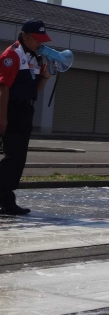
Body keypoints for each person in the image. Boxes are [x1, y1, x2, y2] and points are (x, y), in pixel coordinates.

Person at [0, 19, 53, 215]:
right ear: (24, 36)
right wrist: (2, 117)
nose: (40, 43)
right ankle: (6, 200)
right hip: (11, 110)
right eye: (37, 39)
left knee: (18, 157)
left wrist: (46, 76)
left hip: (25, 110)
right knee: (12, 156)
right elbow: (4, 89)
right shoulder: (12, 55)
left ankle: (7, 198)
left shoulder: (32, 57)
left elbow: (34, 90)